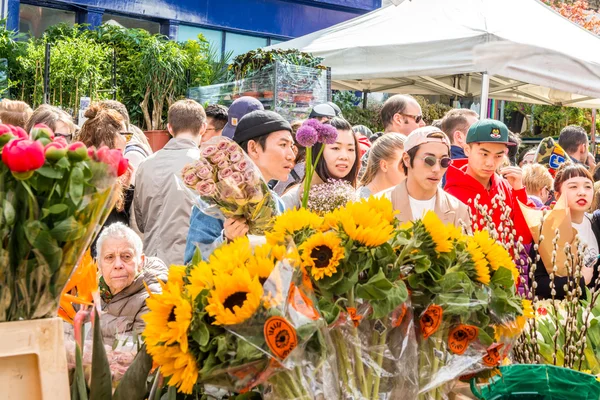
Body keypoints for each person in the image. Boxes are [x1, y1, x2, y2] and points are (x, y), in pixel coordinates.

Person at [184, 110, 295, 263]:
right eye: (283, 145)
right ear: (254, 148)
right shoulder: (214, 203)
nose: (291, 155)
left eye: (292, 146)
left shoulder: (277, 203)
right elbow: (191, 266)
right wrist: (226, 239)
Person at [134, 99, 207, 266]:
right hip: (189, 264)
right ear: (203, 127)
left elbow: (140, 222)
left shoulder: (145, 165)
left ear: (169, 128)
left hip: (151, 262)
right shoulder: (205, 166)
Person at [445, 119, 532, 244]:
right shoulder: (451, 194)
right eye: (484, 154)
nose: (490, 163)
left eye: (498, 156)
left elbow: (524, 237)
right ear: (467, 150)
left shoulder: (506, 186)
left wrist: (519, 191)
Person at [533, 164, 600, 300]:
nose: (582, 192)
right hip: (562, 313)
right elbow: (537, 283)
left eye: (587, 186)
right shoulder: (547, 228)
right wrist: (578, 282)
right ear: (557, 195)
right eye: (573, 187)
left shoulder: (596, 222)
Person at [380, 126, 469, 226]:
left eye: (444, 162)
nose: (436, 169)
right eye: (429, 160)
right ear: (407, 159)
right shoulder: (378, 206)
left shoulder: (459, 211)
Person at [96, 222, 168, 340]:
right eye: (110, 257)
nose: (118, 265)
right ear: (99, 264)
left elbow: (137, 353)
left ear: (140, 261)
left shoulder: (152, 297)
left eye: (126, 256)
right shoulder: (89, 291)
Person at [78, 104, 133, 258]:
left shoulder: (81, 169)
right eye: (125, 135)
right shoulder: (98, 178)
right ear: (109, 137)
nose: (127, 141)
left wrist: (125, 189)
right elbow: (112, 224)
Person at [282, 117, 359, 210]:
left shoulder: (357, 197)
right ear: (318, 152)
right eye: (335, 148)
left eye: (350, 149)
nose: (344, 156)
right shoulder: (292, 200)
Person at [357, 133, 406, 198]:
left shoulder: (398, 197)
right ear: (384, 166)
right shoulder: (361, 200)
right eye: (404, 164)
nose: (411, 170)